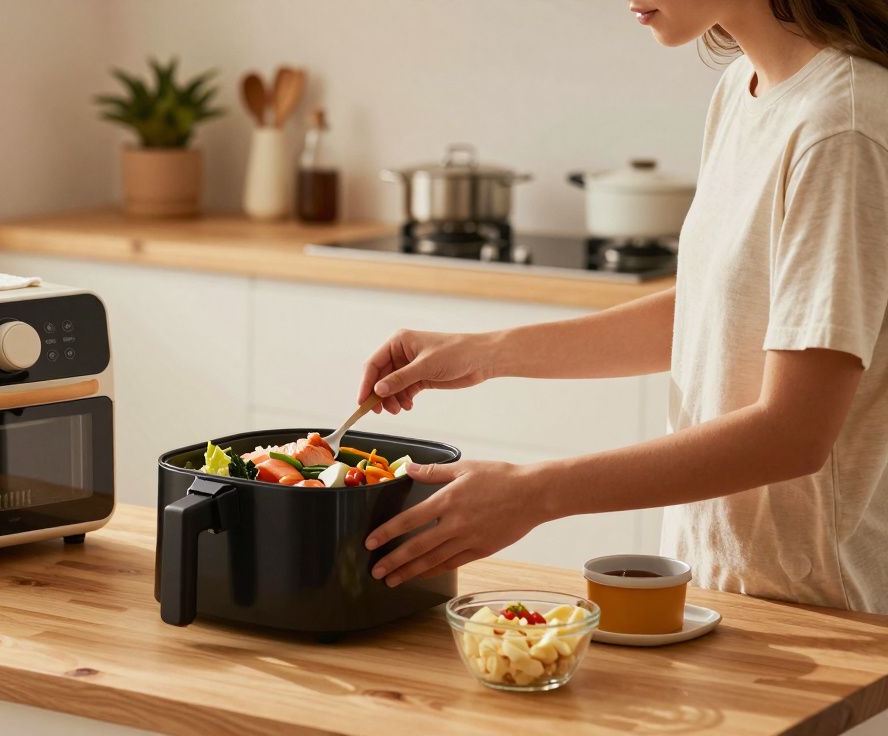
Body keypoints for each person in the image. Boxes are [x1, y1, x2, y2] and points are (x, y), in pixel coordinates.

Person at [357, 0, 888, 613]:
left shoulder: (842, 126)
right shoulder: (745, 90)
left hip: (829, 613)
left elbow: (794, 434)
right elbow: (715, 311)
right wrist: (483, 352)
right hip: (729, 589)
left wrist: (535, 493)